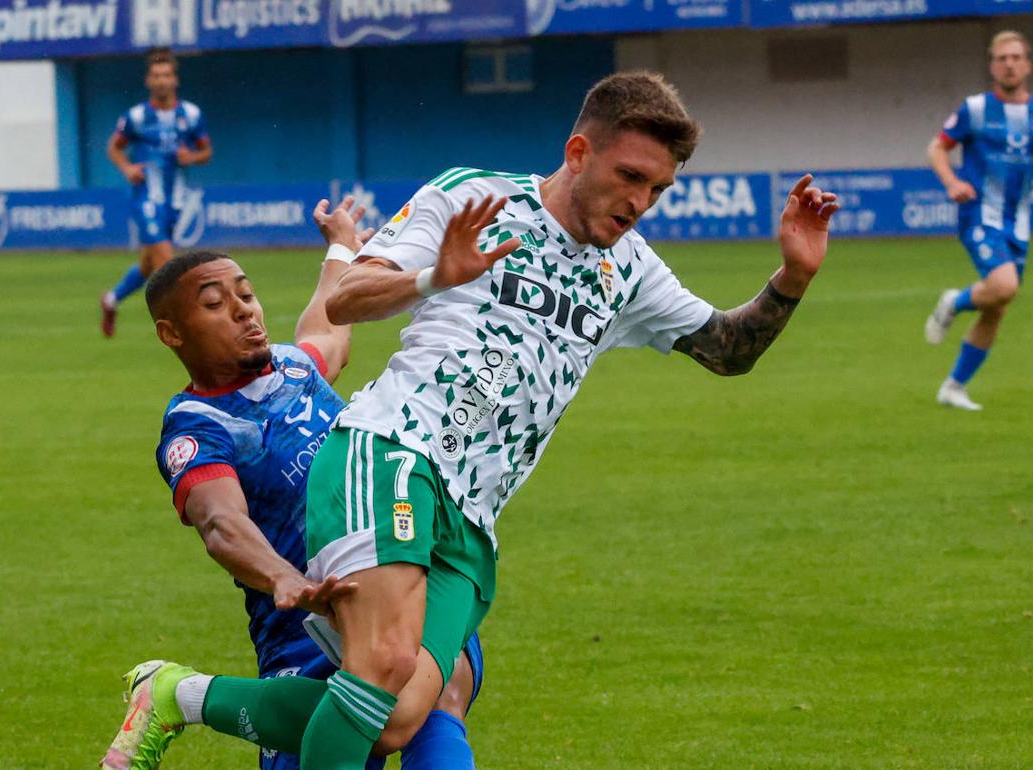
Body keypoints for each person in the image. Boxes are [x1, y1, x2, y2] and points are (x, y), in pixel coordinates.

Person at [102, 70, 838, 770]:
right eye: (630, 177)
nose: (641, 201)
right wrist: (435, 277)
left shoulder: (632, 271)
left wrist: (791, 278)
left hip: (474, 517)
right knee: (385, 667)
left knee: (400, 716)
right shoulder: (476, 197)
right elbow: (348, 298)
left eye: (658, 188)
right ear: (579, 152)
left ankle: (177, 694)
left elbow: (725, 349)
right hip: (392, 454)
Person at [98, 197, 483, 770]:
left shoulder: (294, 368)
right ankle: (179, 694)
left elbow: (329, 326)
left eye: (246, 296)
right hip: (305, 625)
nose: (245, 312)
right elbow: (221, 523)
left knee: (440, 694)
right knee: (384, 720)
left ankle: (179, 694)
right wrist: (285, 578)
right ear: (170, 334)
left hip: (390, 575)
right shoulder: (200, 426)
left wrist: (342, 245)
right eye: (215, 304)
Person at [923, 30, 1031, 410]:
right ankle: (954, 301)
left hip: (1019, 224)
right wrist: (952, 181)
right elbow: (937, 147)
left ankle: (953, 387)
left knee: (996, 308)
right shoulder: (976, 109)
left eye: (1017, 57)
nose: (1010, 63)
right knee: (1004, 286)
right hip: (980, 217)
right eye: (1002, 57)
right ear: (992, 65)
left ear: (1028, 64)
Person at [100, 47, 213, 338]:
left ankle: (111, 300)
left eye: (166, 75)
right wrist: (127, 168)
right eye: (156, 76)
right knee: (167, 261)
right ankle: (189, 323)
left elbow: (206, 151)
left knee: (149, 264)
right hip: (146, 198)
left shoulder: (190, 114)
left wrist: (192, 158)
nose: (161, 80)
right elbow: (114, 147)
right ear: (148, 81)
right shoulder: (136, 117)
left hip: (175, 198)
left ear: (174, 79)